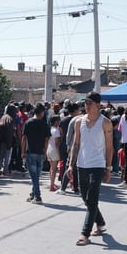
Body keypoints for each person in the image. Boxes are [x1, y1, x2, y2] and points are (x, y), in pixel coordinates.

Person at [67, 92, 112, 245]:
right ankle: (100, 223)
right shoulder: (79, 122)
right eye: (85, 103)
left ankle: (85, 234)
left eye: (90, 103)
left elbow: (109, 147)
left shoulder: (105, 123)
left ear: (98, 105)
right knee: (86, 198)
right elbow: (76, 144)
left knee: (92, 199)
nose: (86, 105)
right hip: (82, 164)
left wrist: (108, 167)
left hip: (97, 165)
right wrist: (70, 165)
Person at [21, 103, 51, 204]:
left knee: (34, 176)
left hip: (31, 152)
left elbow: (24, 138)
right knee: (36, 176)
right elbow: (47, 140)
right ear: (42, 112)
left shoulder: (28, 122)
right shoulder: (45, 124)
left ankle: (37, 196)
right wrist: (45, 152)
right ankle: (33, 194)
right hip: (40, 153)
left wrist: (22, 151)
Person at [58, 102, 81, 193]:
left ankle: (64, 187)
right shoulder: (80, 119)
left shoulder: (63, 121)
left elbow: (65, 135)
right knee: (73, 167)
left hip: (69, 145)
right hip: (78, 146)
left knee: (69, 166)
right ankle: (75, 186)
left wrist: (67, 145)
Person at [47, 115, 62, 191]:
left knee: (51, 168)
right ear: (56, 121)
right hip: (54, 150)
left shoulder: (50, 129)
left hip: (49, 149)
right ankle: (52, 186)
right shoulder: (56, 131)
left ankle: (52, 183)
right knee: (54, 169)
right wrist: (59, 154)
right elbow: (57, 144)